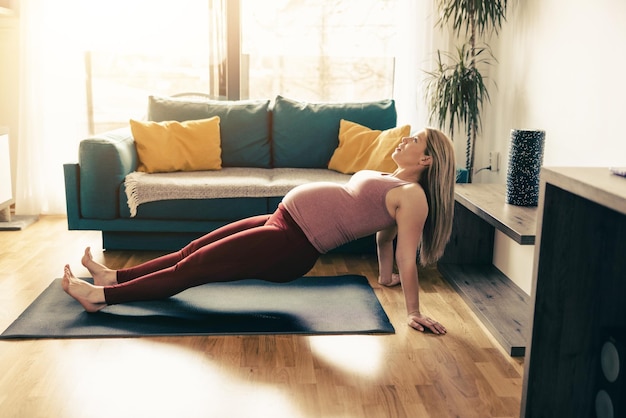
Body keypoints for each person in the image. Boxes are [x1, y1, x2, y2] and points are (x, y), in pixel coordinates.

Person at [63, 128, 456, 334]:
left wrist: (413, 311)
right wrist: (383, 276)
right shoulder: (392, 180)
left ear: (425, 158)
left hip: (291, 245)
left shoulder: (413, 196)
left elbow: (406, 251)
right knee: (192, 250)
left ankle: (101, 297)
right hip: (282, 221)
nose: (404, 138)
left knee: (193, 269)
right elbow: (383, 235)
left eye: (414, 139)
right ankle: (112, 275)